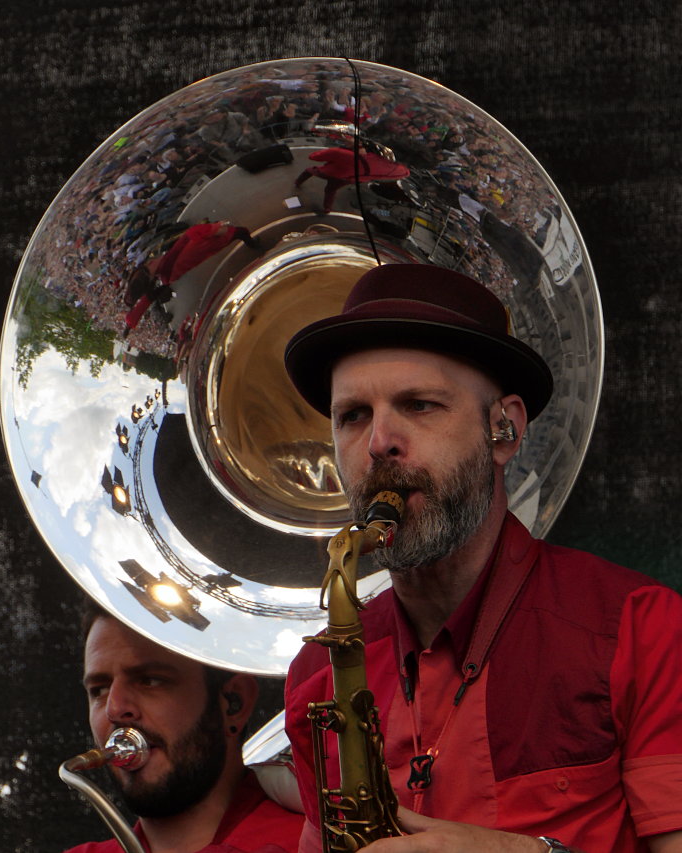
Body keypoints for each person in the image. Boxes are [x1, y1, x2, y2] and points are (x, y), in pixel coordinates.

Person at [282, 264, 682, 853]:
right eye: (353, 415)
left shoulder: (643, 631)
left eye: (419, 405)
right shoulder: (318, 677)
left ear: (505, 429)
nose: (377, 443)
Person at [63, 603, 303, 853]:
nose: (114, 709)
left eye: (150, 680)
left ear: (234, 703)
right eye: (99, 689)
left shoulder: (307, 845)